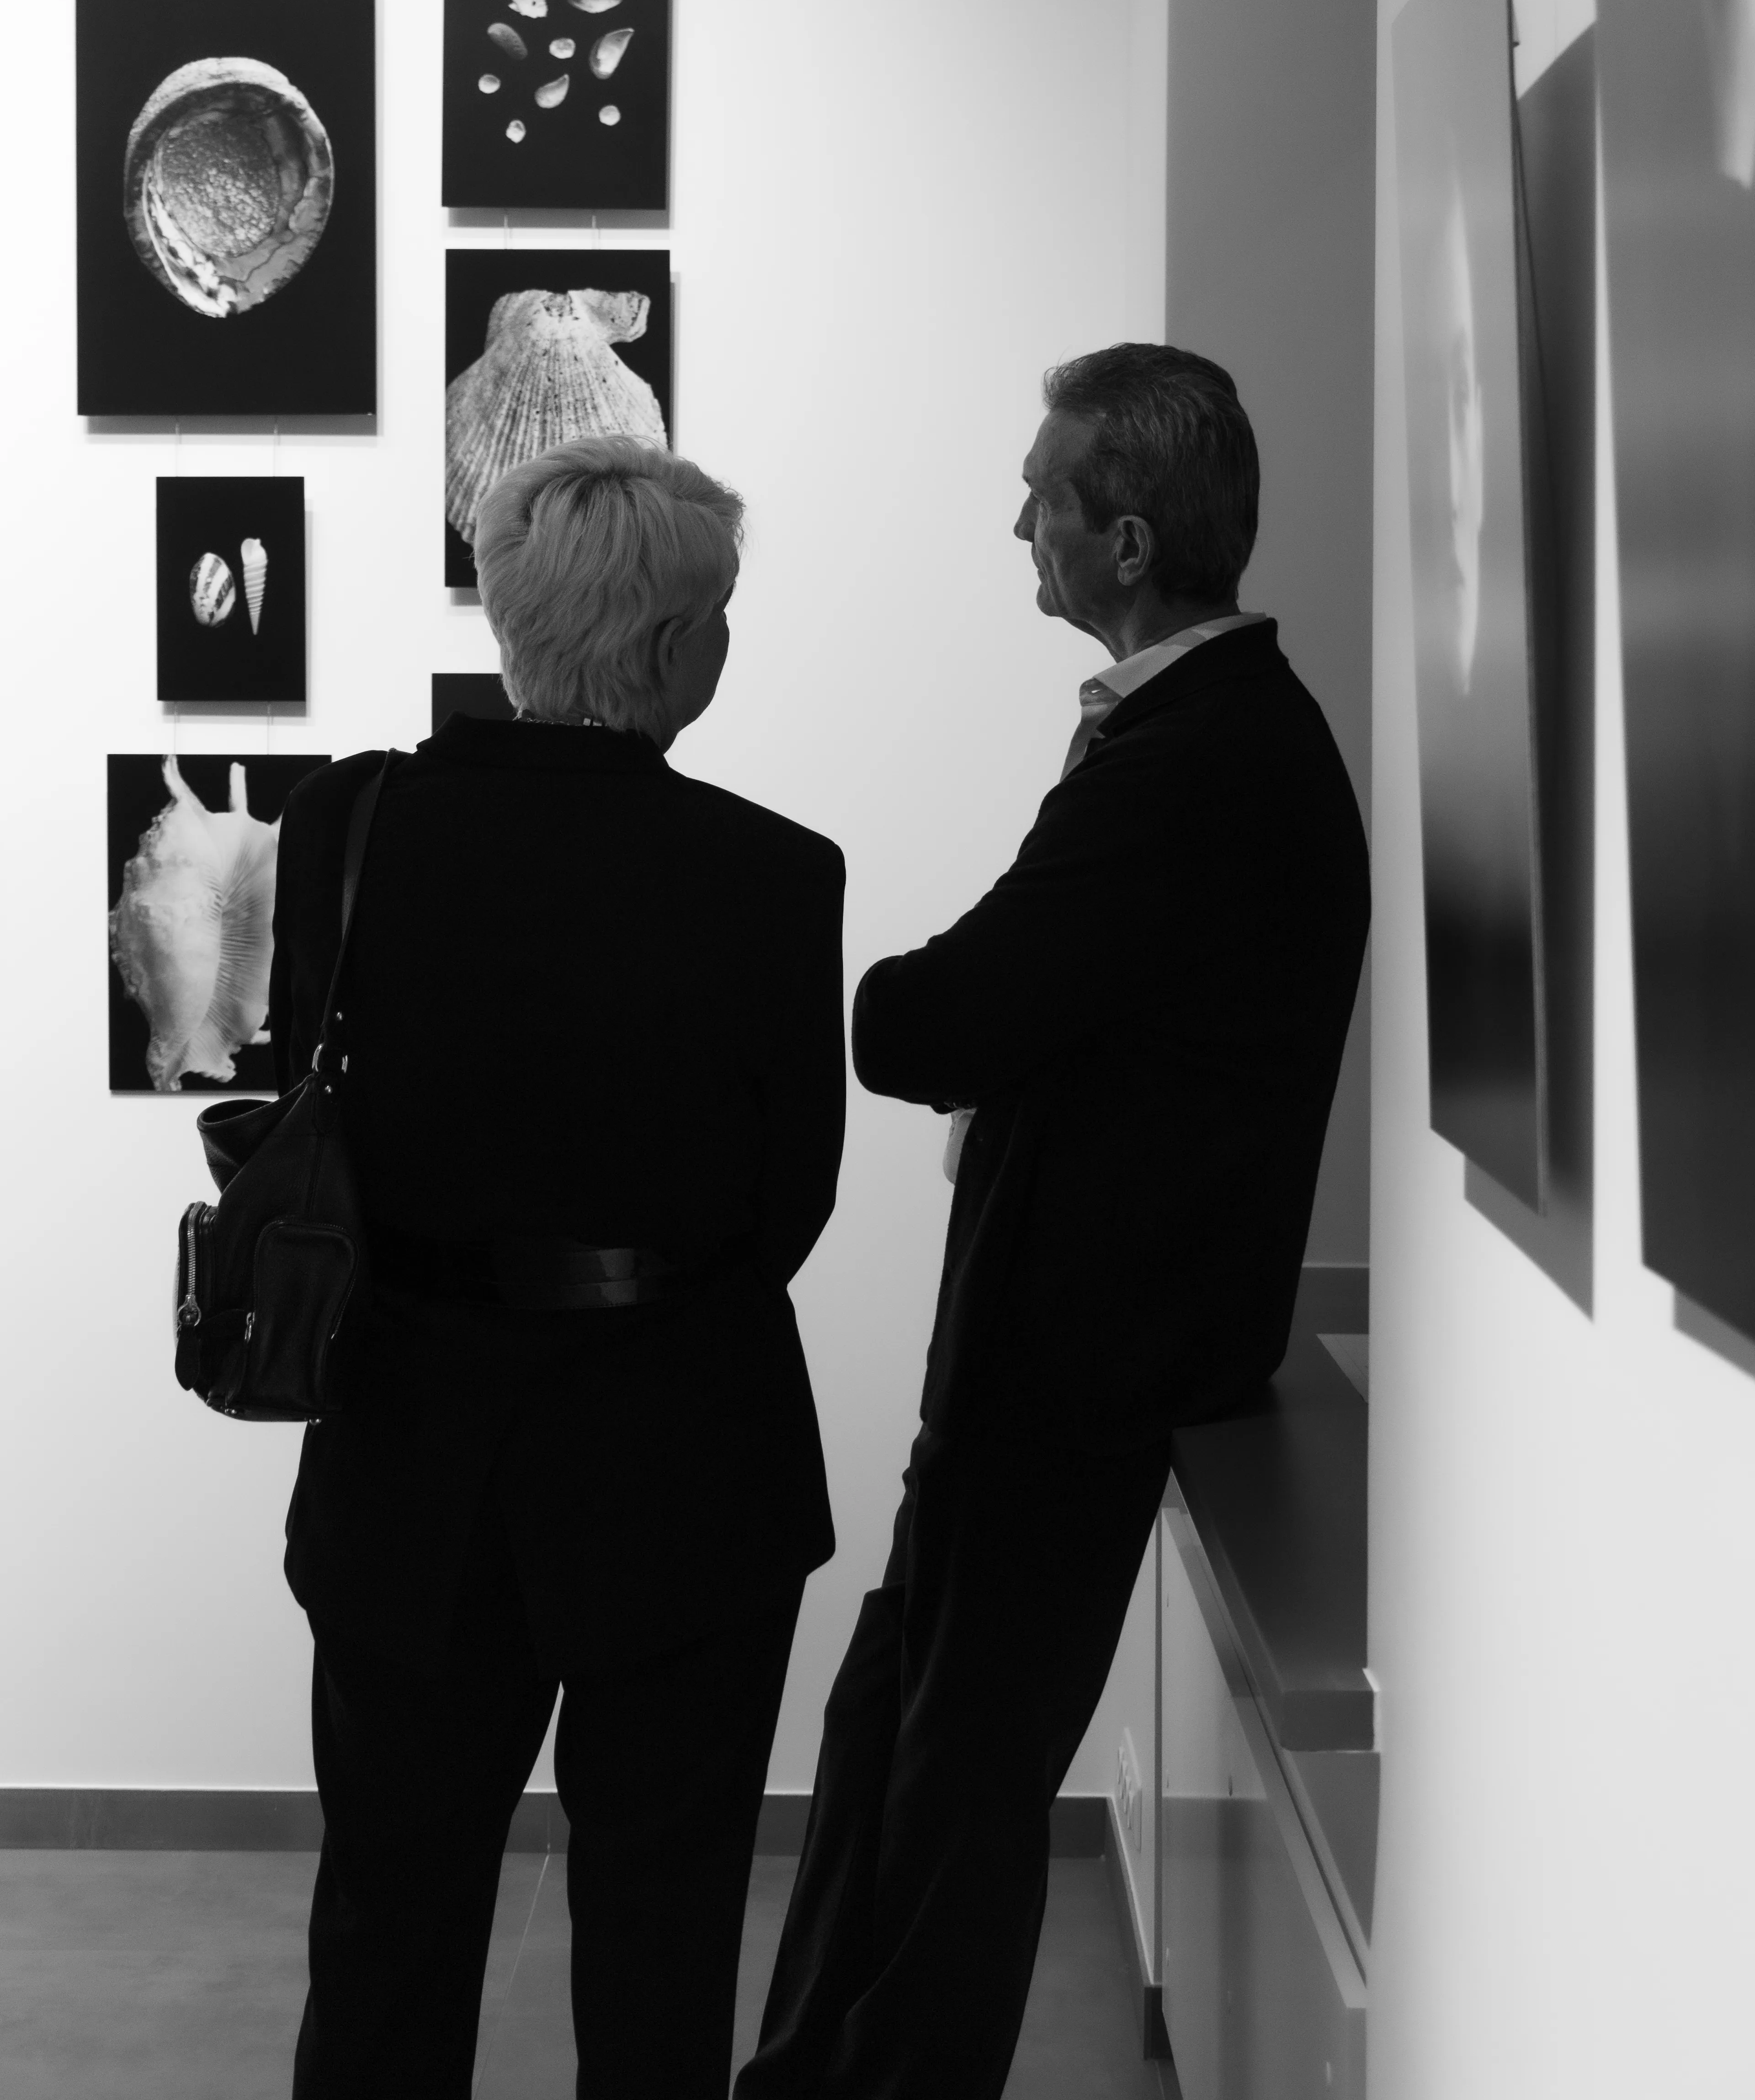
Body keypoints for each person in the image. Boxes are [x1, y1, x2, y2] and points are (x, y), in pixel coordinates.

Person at [735, 344, 1371, 2100]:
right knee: (900, 1737)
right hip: (1056, 1351)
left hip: (1081, 1360)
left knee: (955, 1781)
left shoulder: (1193, 764)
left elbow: (953, 1016)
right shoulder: (1202, 738)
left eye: (1047, 490)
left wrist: (797, 973)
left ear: (1131, 541)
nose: (1020, 514)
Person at [267, 437, 846, 2099]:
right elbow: (785, 1203)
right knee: (662, 1945)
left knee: (389, 1921)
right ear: (671, 650)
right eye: (720, 616)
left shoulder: (345, 827)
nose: (725, 644)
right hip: (683, 1458)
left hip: (409, 1453)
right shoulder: (769, 876)